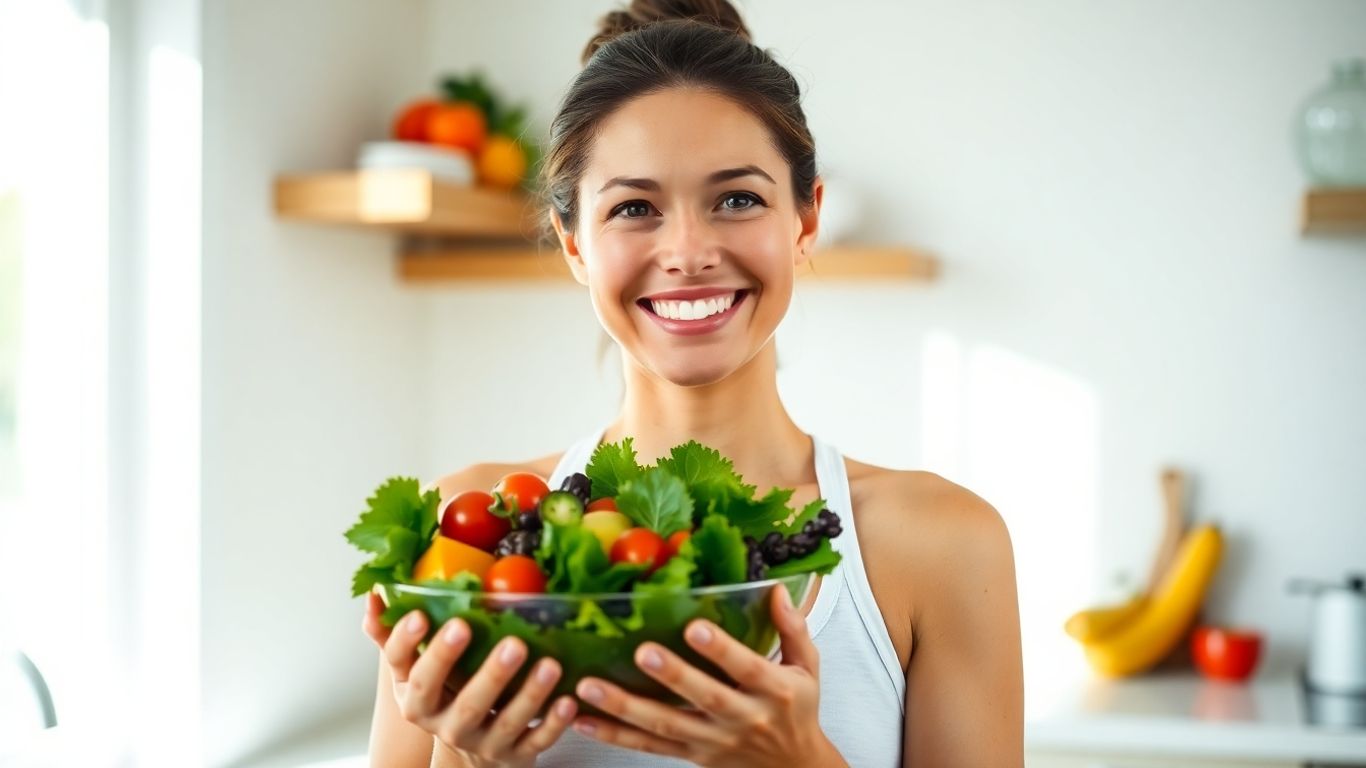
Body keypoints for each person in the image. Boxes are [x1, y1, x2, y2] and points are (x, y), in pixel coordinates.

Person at [362, 1, 1024, 765]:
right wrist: (474, 761)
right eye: (635, 208)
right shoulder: (462, 539)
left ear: (806, 221)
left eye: (737, 199)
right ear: (575, 245)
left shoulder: (942, 546)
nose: (687, 251)